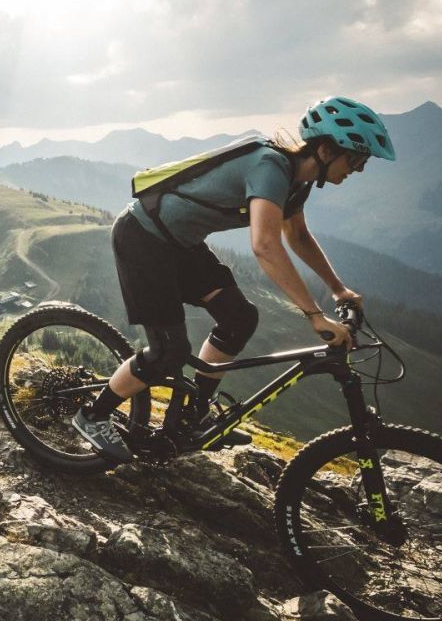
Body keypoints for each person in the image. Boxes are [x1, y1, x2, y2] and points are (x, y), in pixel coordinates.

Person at [74, 96, 396, 461]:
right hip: (143, 238)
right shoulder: (270, 167)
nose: (358, 169)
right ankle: (93, 415)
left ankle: (193, 418)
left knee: (239, 317)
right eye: (355, 158)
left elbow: (299, 237)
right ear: (324, 150)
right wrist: (314, 314)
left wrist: (338, 289)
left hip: (179, 243)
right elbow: (265, 246)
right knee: (169, 352)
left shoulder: (295, 181)